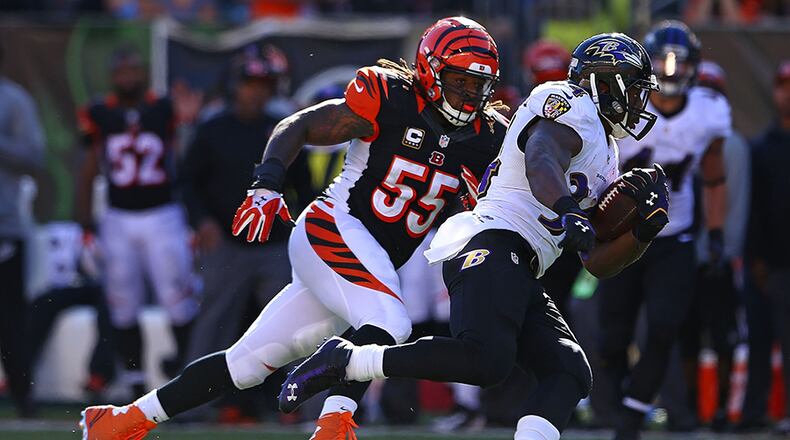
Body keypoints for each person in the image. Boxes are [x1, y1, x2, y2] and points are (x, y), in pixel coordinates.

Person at [79, 16, 507, 440]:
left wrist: (474, 205)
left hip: (364, 262)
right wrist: (266, 185)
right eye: (460, 79)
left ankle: (121, 420)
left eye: (479, 83)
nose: (471, 93)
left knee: (246, 365)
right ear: (430, 69)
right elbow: (298, 125)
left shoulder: (487, 137)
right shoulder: (392, 98)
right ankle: (333, 427)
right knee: (391, 322)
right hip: (333, 227)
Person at [280, 32, 668, 440]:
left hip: (520, 258)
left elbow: (598, 262)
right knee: (485, 361)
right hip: (491, 240)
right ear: (604, 83)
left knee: (568, 369)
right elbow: (541, 156)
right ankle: (349, 361)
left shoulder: (606, 149)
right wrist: (568, 210)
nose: (641, 103)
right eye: (637, 90)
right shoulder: (571, 103)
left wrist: (641, 233)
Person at [595, 21, 731, 440]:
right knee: (611, 335)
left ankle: (633, 415)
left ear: (695, 68)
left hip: (676, 235)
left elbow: (713, 175)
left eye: (679, 63)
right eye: (663, 63)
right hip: (621, 236)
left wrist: (717, 232)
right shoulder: (623, 106)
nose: (671, 71)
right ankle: (622, 401)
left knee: (664, 325)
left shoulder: (708, 112)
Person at [179, 52, 313, 421]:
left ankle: (311, 405)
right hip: (226, 241)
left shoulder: (284, 130)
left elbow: (305, 187)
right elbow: (188, 183)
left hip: (275, 246)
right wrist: (201, 221)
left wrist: (302, 233)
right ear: (235, 86)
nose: (255, 93)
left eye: (263, 86)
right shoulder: (212, 129)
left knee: (298, 325)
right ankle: (191, 406)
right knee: (213, 326)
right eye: (250, 84)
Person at [75, 47, 200, 398]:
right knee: (122, 303)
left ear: (143, 72)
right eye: (122, 69)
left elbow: (184, 156)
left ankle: (185, 378)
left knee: (177, 298)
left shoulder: (164, 107)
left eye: (133, 68)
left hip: (162, 214)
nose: (128, 75)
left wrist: (191, 121)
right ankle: (135, 384)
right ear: (113, 75)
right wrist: (84, 225)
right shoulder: (99, 112)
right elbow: (87, 169)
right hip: (117, 218)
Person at [0, 44, 46, 417]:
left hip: (4, 227)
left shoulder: (12, 99)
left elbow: (35, 155)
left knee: (9, 319)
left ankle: (23, 398)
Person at [748, 59, 790, 434]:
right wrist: (756, 257)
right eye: (784, 85)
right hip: (775, 262)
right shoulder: (762, 147)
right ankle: (755, 412)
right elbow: (756, 208)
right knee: (764, 340)